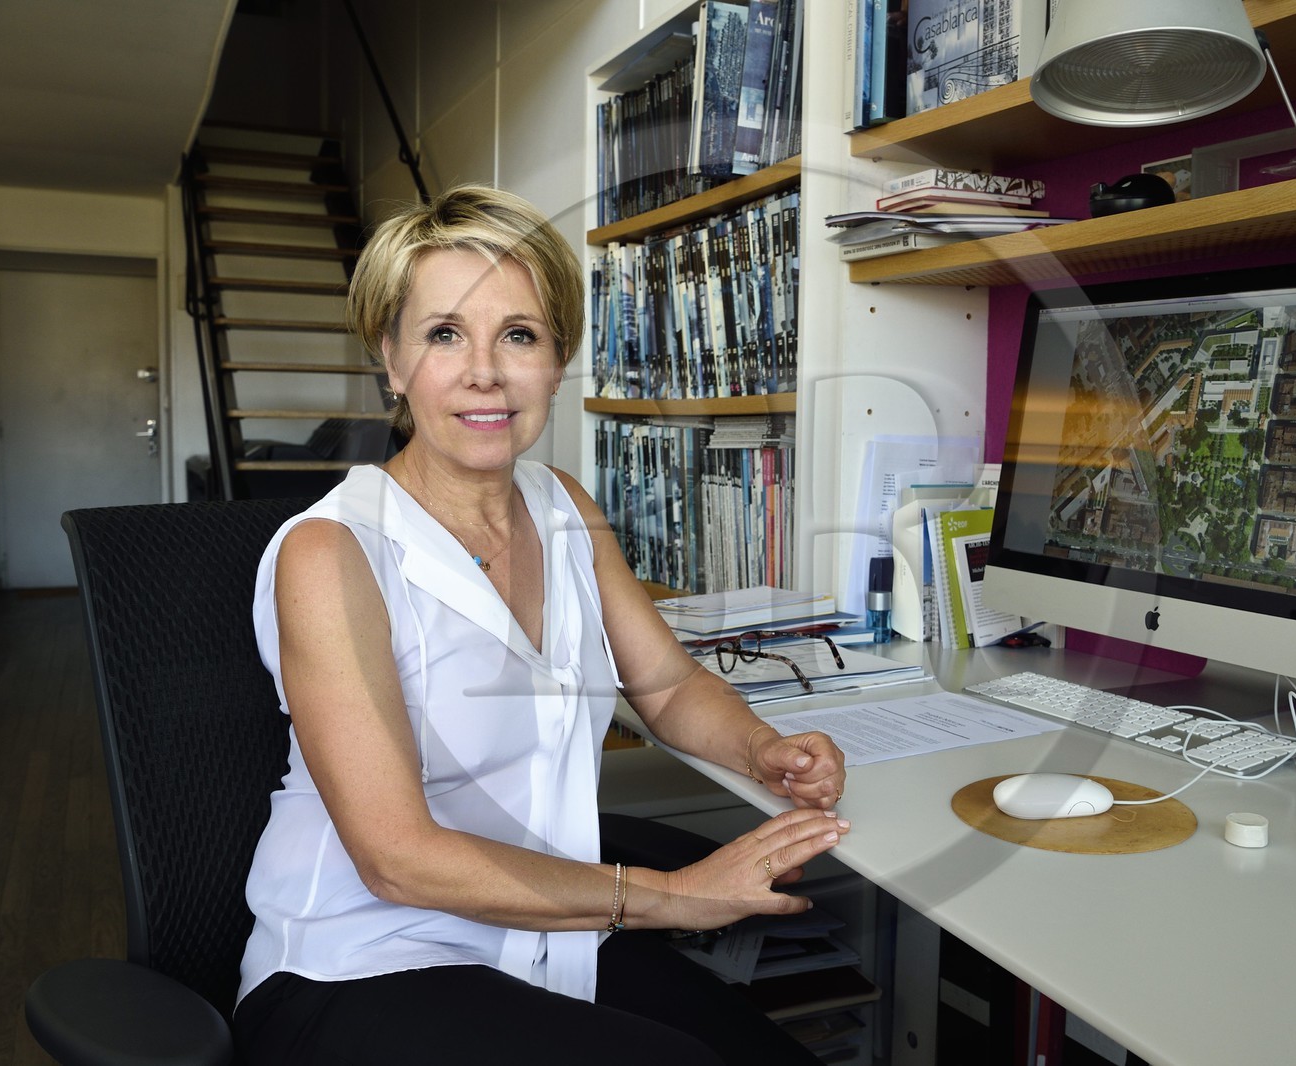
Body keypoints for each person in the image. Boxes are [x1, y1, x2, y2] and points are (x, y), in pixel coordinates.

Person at [230, 184, 849, 1065]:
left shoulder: (562, 505)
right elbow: (396, 858)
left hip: (546, 938)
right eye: (445, 334)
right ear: (393, 361)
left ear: (557, 360)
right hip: (359, 962)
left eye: (518, 334)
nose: (484, 371)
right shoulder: (331, 553)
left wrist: (762, 750)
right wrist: (672, 895)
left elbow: (667, 687)